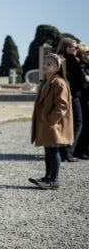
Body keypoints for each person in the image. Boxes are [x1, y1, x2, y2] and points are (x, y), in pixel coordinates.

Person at [29, 53, 73, 189]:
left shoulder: (59, 83)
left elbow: (62, 105)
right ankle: (47, 177)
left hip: (53, 124)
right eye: (45, 63)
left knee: (53, 151)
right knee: (48, 150)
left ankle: (54, 180)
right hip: (46, 123)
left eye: (49, 64)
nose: (45, 66)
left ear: (57, 67)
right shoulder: (45, 82)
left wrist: (50, 120)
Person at [55, 38, 84, 162]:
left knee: (65, 124)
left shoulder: (58, 60)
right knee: (77, 123)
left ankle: (62, 151)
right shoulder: (72, 60)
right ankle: (68, 152)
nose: (76, 50)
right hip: (73, 96)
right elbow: (81, 79)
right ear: (67, 48)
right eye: (74, 47)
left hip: (61, 96)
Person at [74, 44, 89, 159]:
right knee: (85, 125)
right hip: (84, 98)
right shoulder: (81, 66)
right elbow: (85, 81)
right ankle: (80, 151)